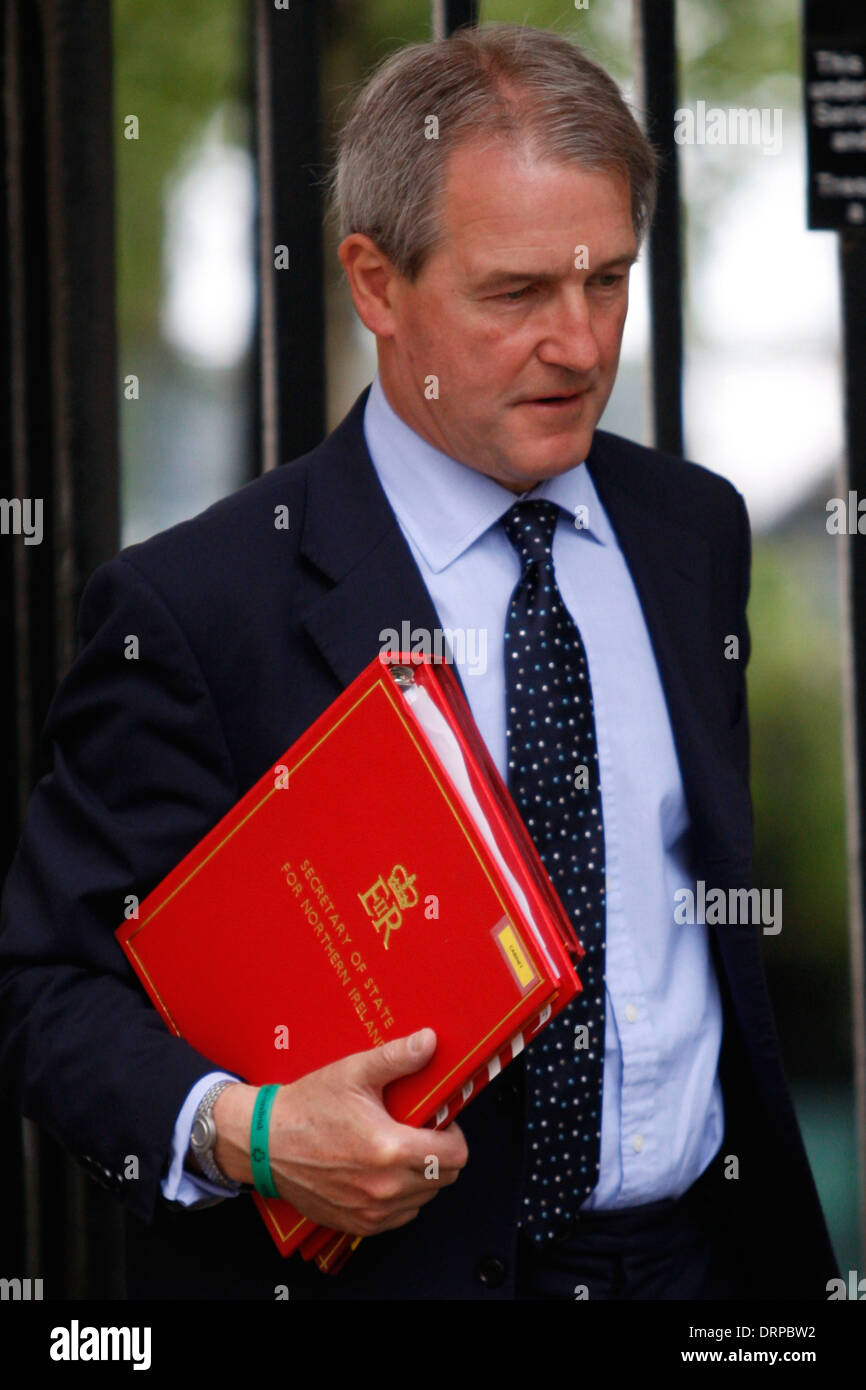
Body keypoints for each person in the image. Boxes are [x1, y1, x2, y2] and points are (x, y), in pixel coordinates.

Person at [0, 23, 839, 1301]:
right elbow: (50, 993)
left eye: (606, 280)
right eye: (515, 293)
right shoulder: (197, 605)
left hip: (696, 1274)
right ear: (374, 284)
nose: (579, 344)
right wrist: (251, 1132)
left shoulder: (693, 530)